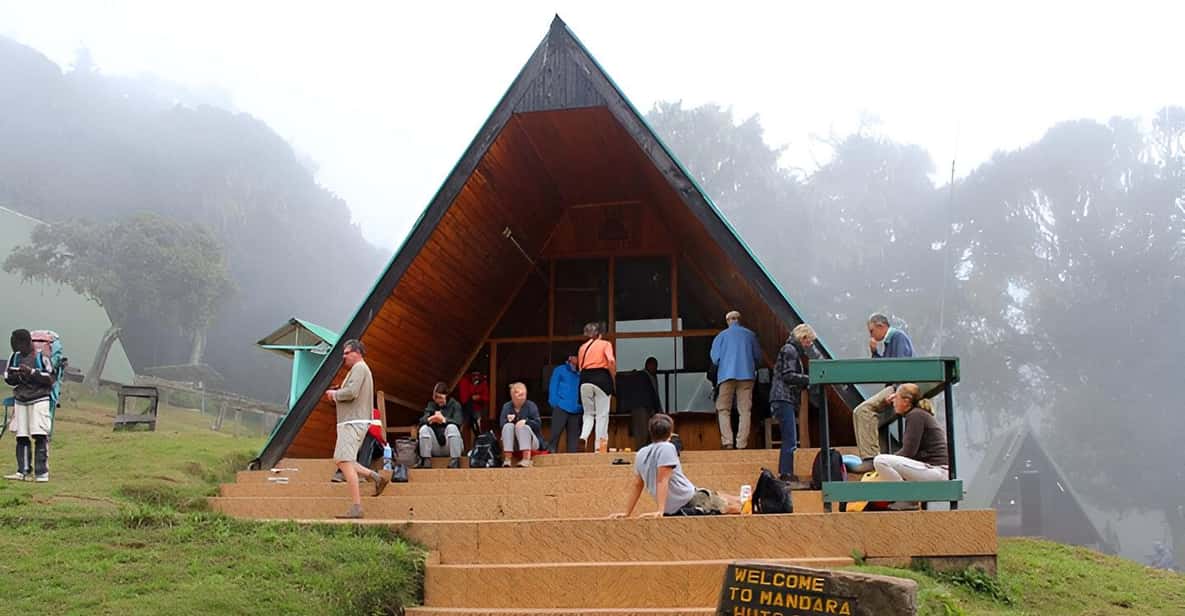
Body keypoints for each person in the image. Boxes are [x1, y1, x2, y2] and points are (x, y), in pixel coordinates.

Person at [612, 413, 742, 518]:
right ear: (670, 433)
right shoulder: (668, 447)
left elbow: (637, 485)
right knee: (732, 506)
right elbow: (663, 479)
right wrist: (660, 511)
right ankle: (745, 500)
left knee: (725, 499)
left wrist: (627, 513)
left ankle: (745, 498)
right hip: (691, 500)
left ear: (651, 432)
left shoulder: (641, 453)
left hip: (689, 499)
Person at [323, 339, 388, 519]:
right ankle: (374, 476)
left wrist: (334, 395)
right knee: (343, 459)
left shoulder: (359, 368)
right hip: (352, 421)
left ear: (357, 353)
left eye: (347, 352)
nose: (344, 357)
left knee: (343, 461)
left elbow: (352, 393)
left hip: (352, 422)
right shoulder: (360, 369)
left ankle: (357, 506)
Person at [852, 313, 916, 472]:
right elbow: (884, 368)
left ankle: (870, 458)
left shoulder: (897, 337)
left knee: (862, 411)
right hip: (896, 386)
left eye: (872, 331)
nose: (871, 335)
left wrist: (899, 391)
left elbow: (901, 366)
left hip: (899, 386)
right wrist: (874, 353)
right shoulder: (890, 341)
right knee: (871, 419)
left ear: (881, 326)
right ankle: (878, 458)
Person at [872, 383, 948, 510]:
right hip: (934, 470)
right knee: (885, 462)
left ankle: (906, 500)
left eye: (896, 397)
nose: (892, 400)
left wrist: (879, 468)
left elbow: (908, 452)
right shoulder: (917, 414)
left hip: (937, 472)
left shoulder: (915, 415)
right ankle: (907, 500)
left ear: (906, 401)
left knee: (880, 460)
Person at [4, 329, 55, 482]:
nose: (19, 349)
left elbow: (50, 377)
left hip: (39, 399)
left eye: (21, 345)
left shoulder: (42, 356)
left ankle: (41, 473)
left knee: (39, 434)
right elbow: (7, 376)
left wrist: (32, 372)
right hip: (21, 399)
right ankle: (23, 471)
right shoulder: (15, 357)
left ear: (27, 343)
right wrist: (15, 375)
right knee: (22, 436)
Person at [770, 324, 817, 482]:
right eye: (809, 341)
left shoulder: (789, 349)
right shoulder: (791, 350)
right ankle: (786, 473)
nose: (809, 345)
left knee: (789, 437)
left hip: (781, 397)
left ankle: (786, 472)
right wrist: (809, 379)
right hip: (784, 398)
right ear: (803, 338)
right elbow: (789, 375)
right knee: (790, 438)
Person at [709, 310, 762, 449]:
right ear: (739, 320)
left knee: (723, 409)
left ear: (727, 321)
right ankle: (741, 443)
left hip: (726, 376)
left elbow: (715, 359)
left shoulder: (721, 336)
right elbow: (758, 357)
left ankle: (728, 442)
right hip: (747, 376)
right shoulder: (750, 335)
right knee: (745, 410)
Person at [577, 322, 615, 453]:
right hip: (601, 378)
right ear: (600, 334)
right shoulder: (605, 344)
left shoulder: (582, 347)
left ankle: (584, 436)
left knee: (587, 413)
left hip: (584, 379)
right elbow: (610, 360)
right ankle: (600, 446)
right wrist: (613, 375)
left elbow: (580, 367)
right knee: (602, 415)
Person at [417, 382, 465, 468]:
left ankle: (455, 461)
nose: (438, 400)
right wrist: (430, 419)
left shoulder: (455, 405)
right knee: (424, 428)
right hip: (435, 447)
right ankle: (426, 460)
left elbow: (458, 422)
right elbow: (421, 421)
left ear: (447, 396)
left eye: (440, 397)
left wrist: (444, 420)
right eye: (436, 397)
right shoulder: (431, 405)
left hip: (451, 446)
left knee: (452, 427)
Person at [499, 382, 544, 467]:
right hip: (514, 443)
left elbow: (538, 424)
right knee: (508, 426)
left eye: (524, 394)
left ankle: (526, 459)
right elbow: (502, 424)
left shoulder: (531, 405)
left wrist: (526, 421)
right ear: (512, 396)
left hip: (532, 442)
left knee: (523, 427)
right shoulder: (506, 407)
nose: (522, 397)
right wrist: (511, 422)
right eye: (520, 395)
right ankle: (507, 459)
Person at [546, 354, 582, 453]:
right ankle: (550, 460)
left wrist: (581, 406)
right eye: (577, 356)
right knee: (555, 435)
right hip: (561, 407)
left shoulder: (581, 372)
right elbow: (553, 386)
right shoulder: (560, 370)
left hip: (576, 409)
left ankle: (572, 465)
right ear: (570, 358)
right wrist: (555, 403)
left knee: (573, 439)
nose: (579, 358)